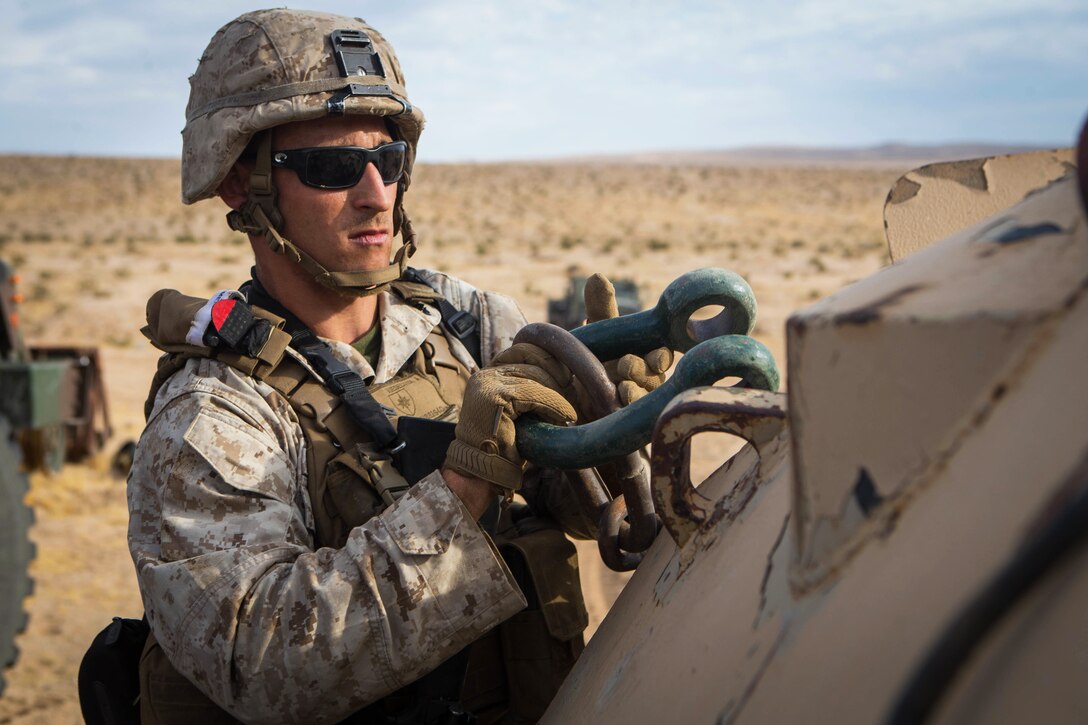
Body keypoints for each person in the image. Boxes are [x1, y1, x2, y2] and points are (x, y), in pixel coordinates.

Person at [126, 8, 671, 725]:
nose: (375, 194)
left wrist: (611, 431)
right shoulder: (212, 416)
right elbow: (262, 663)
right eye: (332, 167)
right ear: (240, 184)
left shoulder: (467, 323)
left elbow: (583, 506)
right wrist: (464, 485)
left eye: (388, 161)